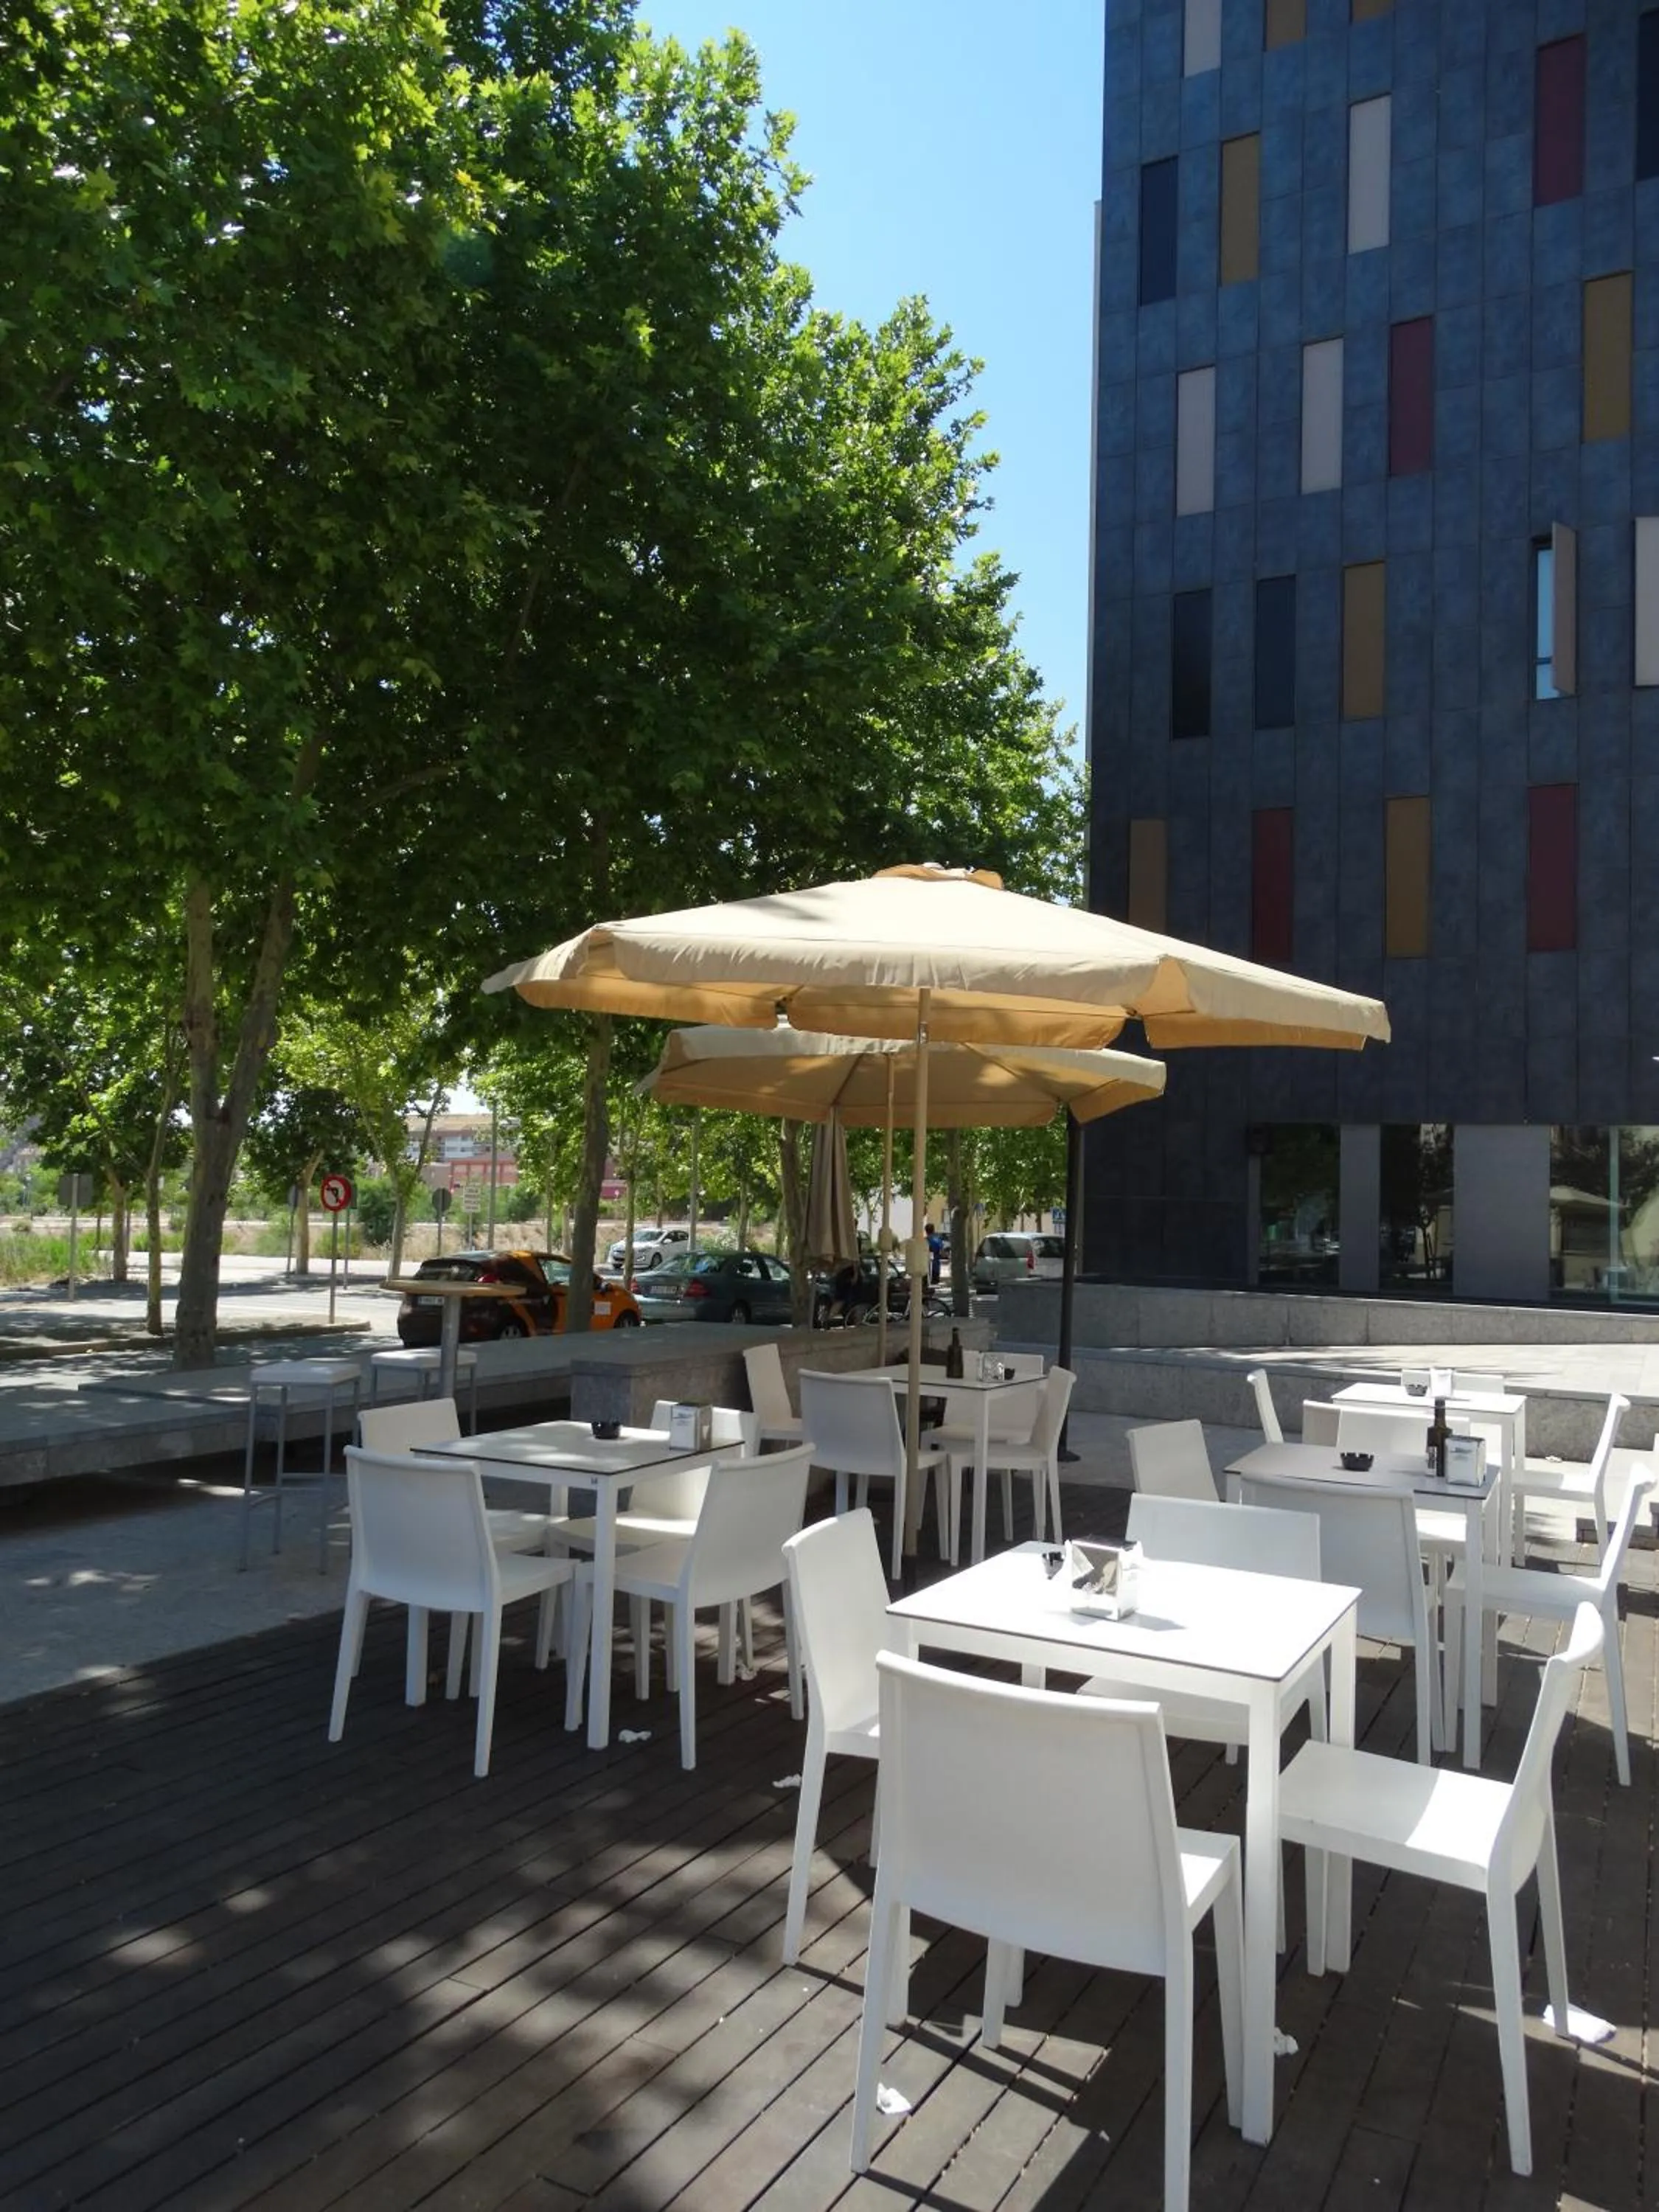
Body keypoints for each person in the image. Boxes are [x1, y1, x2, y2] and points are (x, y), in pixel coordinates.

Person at [925, 1220, 943, 1284]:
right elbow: (941, 1252)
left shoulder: (925, 1241)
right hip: (936, 1268)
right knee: (935, 1284)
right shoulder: (939, 1240)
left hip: (926, 1268)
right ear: (933, 1230)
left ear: (926, 1231)